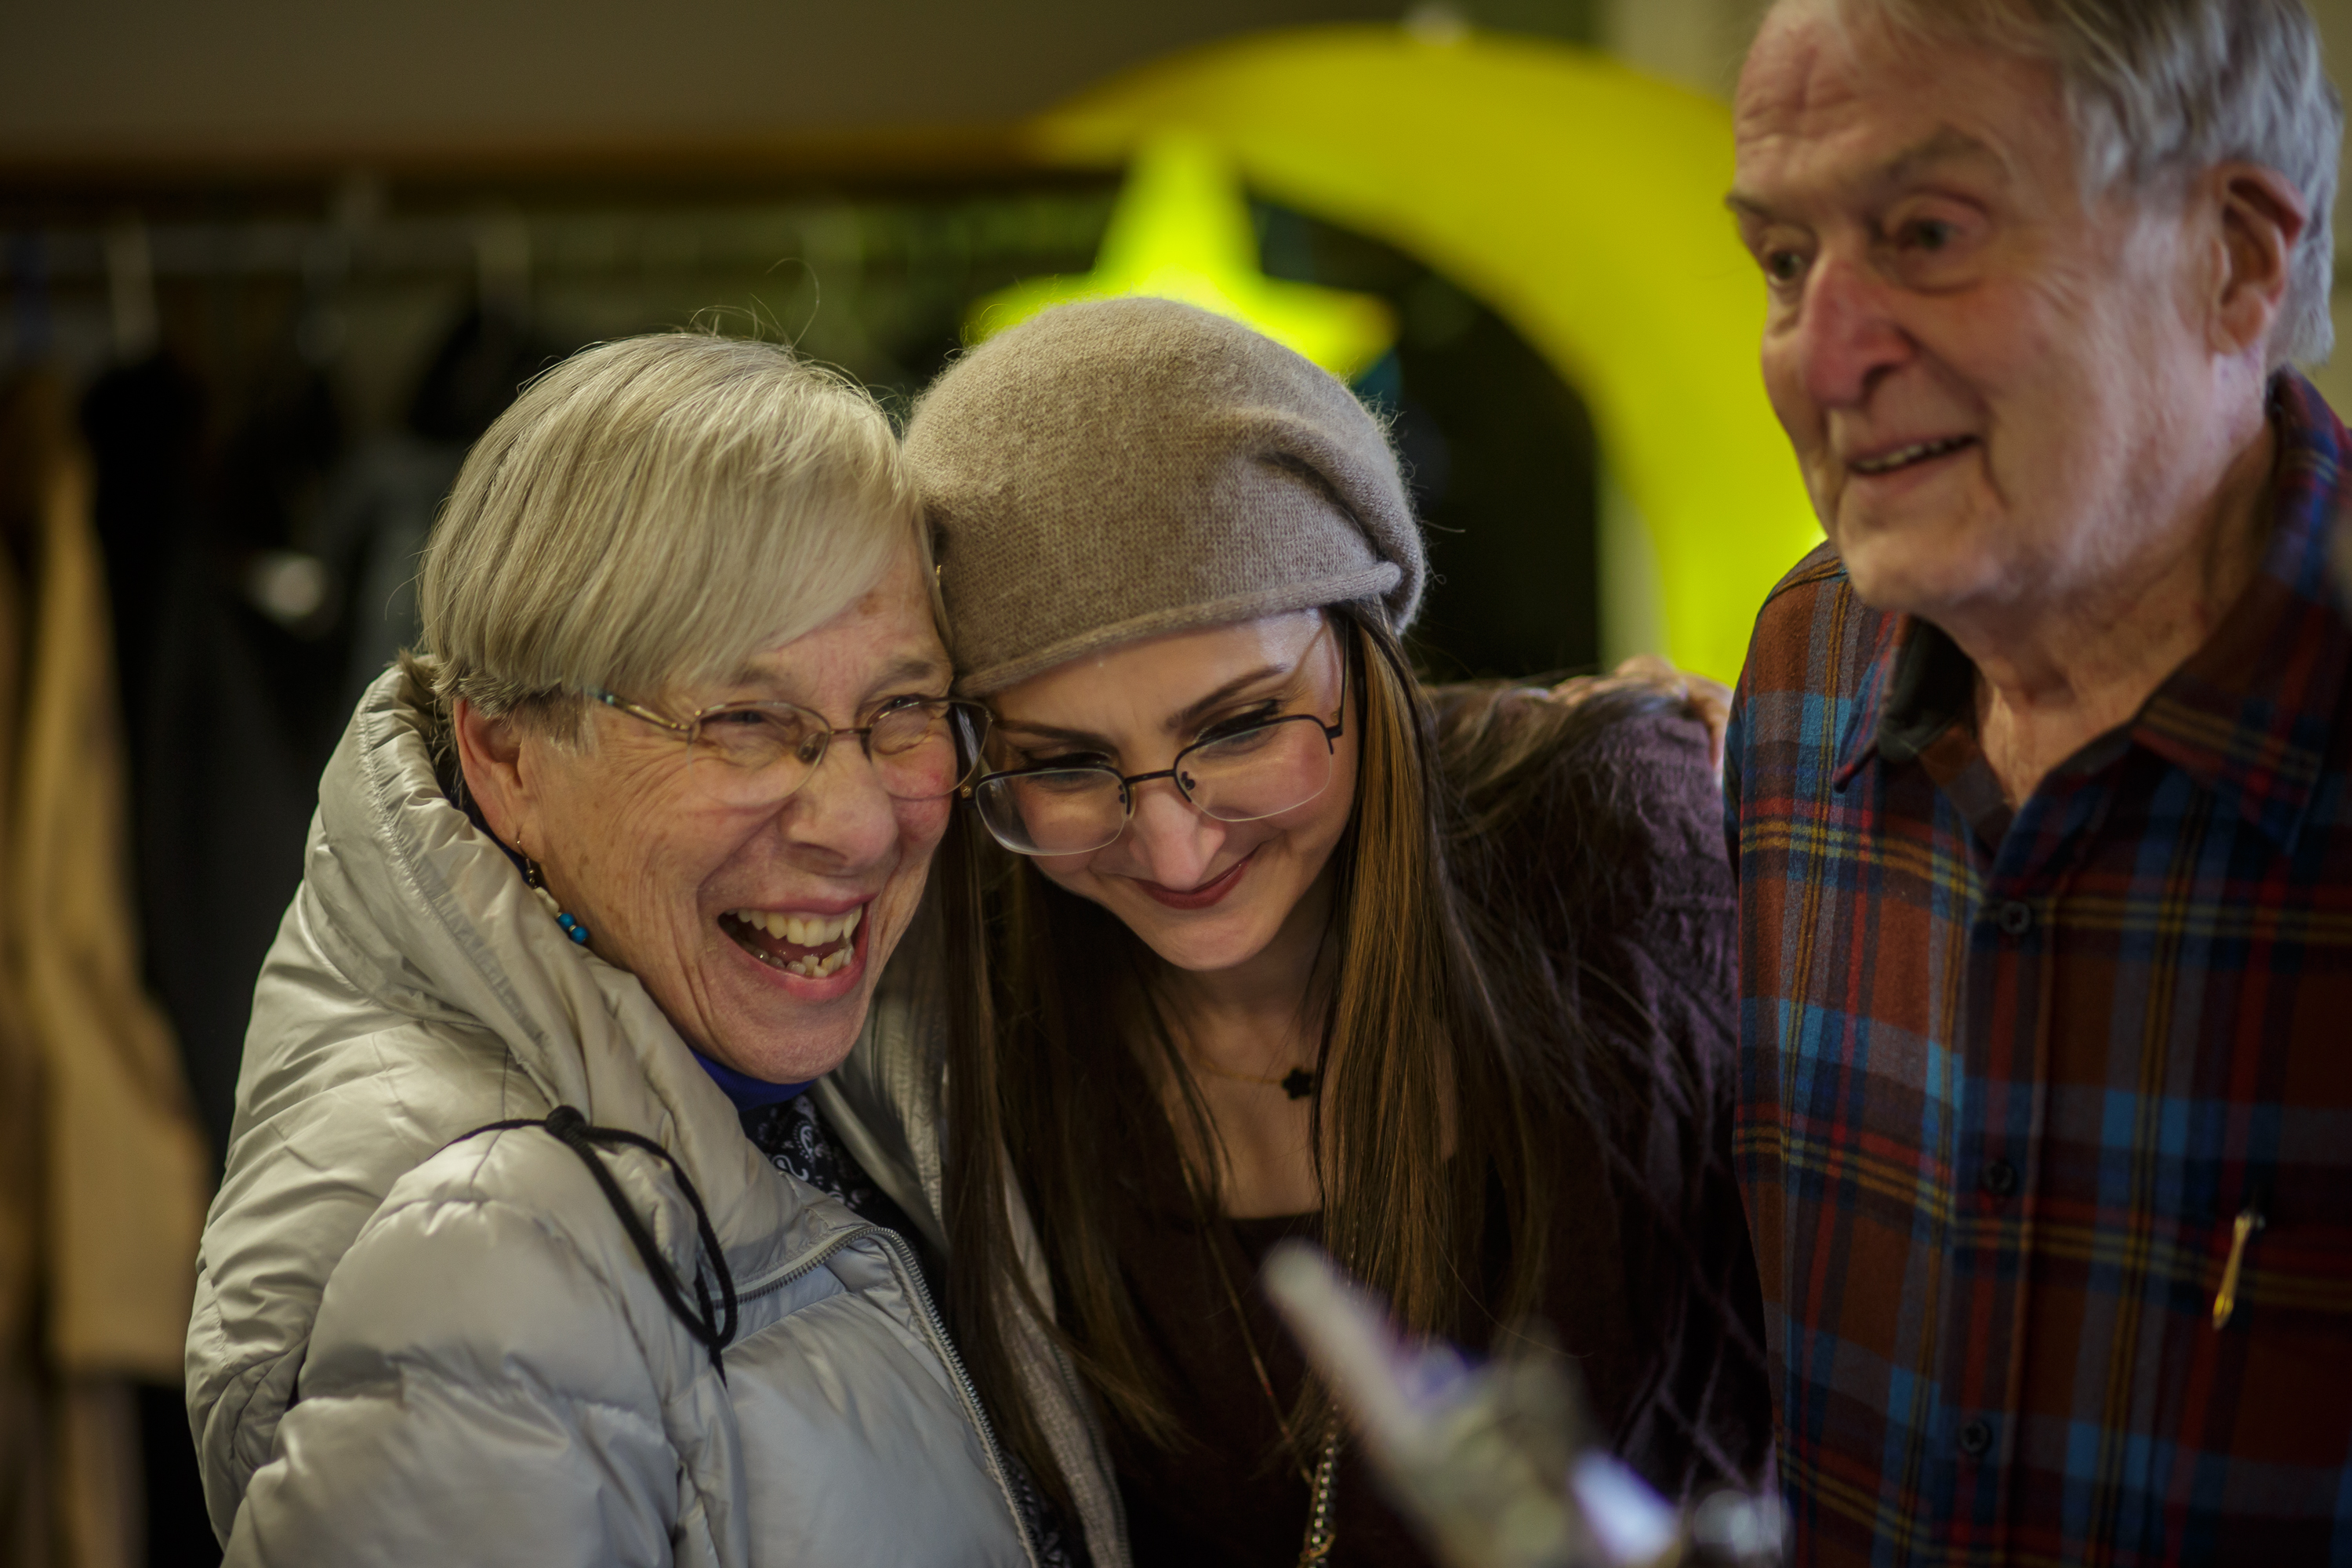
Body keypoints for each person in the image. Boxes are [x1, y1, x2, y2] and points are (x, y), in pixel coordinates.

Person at [879, 296, 1773, 1567]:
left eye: (1241, 726)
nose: (1177, 850)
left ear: (1367, 653)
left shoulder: (1615, 850)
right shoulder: (965, 1010)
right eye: (1065, 763)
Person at [183, 334, 1072, 1565]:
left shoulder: (830, 1081)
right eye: (747, 722)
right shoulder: (485, 1265)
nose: (862, 821)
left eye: (902, 711)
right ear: (506, 759)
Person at [1722, 0, 2352, 1562]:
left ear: (2237, 262)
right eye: (1784, 264)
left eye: (1926, 231)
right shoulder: (1801, 670)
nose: (1822, 351)